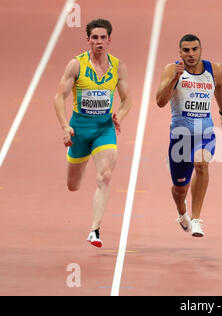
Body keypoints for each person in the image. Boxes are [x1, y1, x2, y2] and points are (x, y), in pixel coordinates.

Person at [54, 18, 132, 247]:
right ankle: (82, 157)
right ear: (88, 40)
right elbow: (59, 97)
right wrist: (64, 126)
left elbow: (128, 99)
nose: (99, 41)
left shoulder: (118, 67)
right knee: (73, 185)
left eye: (103, 37)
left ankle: (94, 230)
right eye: (95, 37)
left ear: (109, 40)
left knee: (105, 176)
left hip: (104, 129)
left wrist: (120, 115)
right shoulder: (76, 65)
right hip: (79, 129)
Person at [156, 34, 222, 237]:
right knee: (179, 190)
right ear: (180, 52)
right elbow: (160, 102)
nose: (191, 54)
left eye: (194, 49)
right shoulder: (172, 70)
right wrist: (174, 79)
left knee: (201, 164)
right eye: (186, 50)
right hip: (180, 138)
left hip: (205, 133)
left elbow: (220, 84)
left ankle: (197, 220)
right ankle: (182, 213)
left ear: (201, 50)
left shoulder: (215, 69)